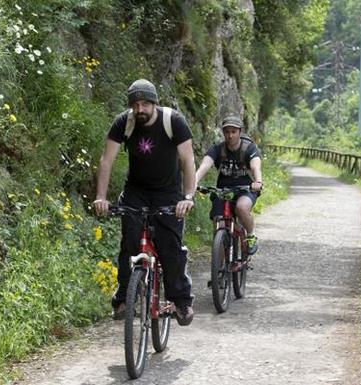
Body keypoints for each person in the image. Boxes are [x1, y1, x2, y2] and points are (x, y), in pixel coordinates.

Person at [93, 79, 196, 326]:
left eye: (145, 104)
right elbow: (106, 160)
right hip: (136, 191)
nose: (140, 109)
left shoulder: (174, 122)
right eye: (135, 105)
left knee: (170, 246)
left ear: (154, 104)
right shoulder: (123, 123)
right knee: (129, 243)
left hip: (168, 192)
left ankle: (181, 301)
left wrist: (188, 197)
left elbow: (188, 161)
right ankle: (124, 295)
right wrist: (101, 197)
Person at [195, 115, 262, 254]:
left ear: (240, 131)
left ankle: (250, 237)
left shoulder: (248, 148)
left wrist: (258, 181)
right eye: (227, 131)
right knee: (218, 223)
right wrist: (193, 181)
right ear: (223, 132)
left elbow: (256, 166)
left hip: (246, 189)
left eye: (233, 131)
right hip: (223, 190)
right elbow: (204, 166)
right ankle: (219, 268)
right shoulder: (218, 149)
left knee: (241, 208)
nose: (230, 135)